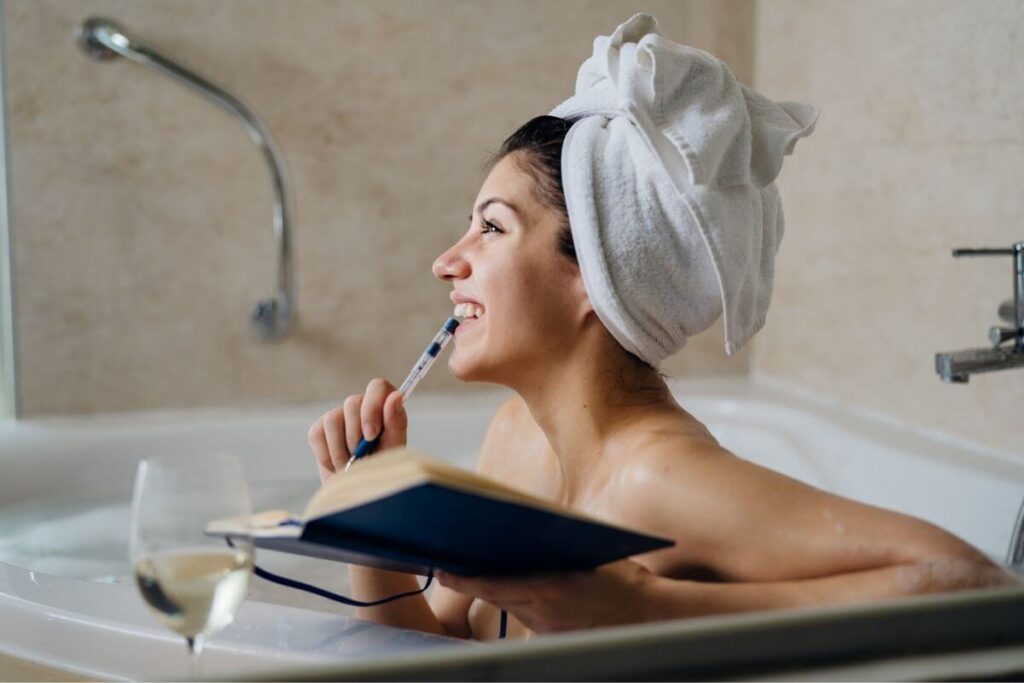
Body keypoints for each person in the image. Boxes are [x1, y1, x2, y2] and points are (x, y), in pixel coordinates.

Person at [307, 18, 1019, 642]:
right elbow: (440, 651)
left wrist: (646, 606)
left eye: (491, 227)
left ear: (597, 269)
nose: (445, 262)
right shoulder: (514, 436)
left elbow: (977, 585)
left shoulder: (657, 476)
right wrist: (372, 530)